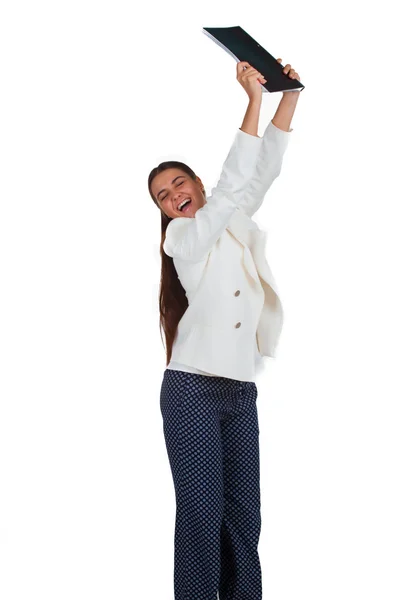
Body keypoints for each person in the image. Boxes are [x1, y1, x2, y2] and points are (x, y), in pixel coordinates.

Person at [148, 59, 301, 600]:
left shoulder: (229, 214)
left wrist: (288, 92)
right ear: (166, 213)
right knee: (200, 514)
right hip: (190, 389)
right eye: (164, 197)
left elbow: (261, 171)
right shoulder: (182, 241)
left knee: (243, 519)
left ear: (195, 182)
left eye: (178, 183)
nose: (174, 196)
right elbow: (235, 182)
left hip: (239, 390)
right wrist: (251, 99)